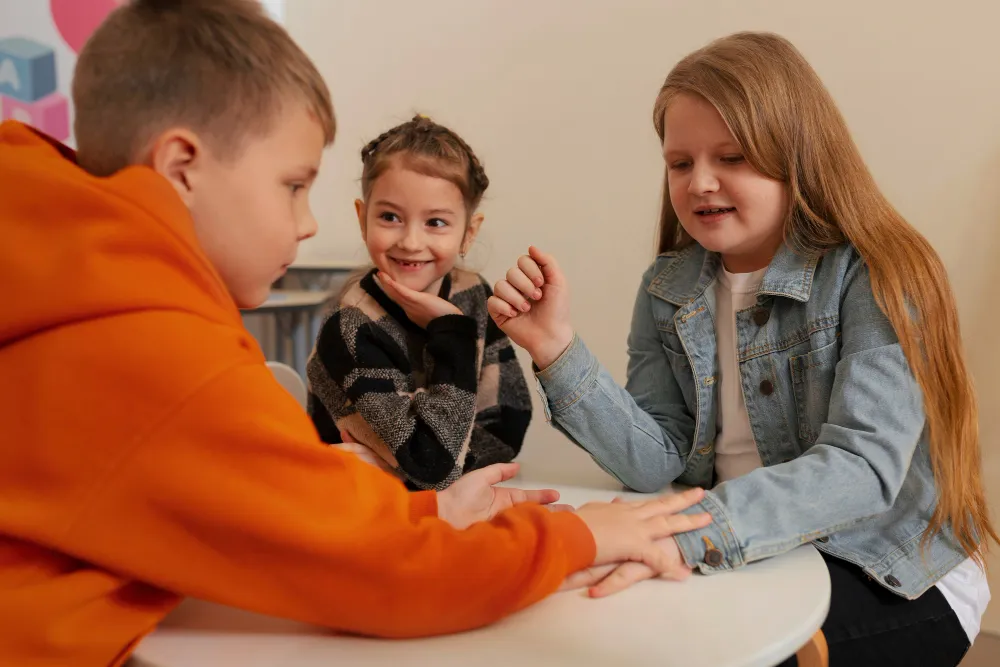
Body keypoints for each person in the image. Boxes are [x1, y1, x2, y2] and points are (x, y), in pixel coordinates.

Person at [0, 2, 711, 665]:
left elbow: (303, 494)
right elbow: (386, 572)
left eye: (437, 222)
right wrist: (585, 534)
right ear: (181, 167)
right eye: (292, 185)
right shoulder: (167, 351)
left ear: (469, 231)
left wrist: (430, 507)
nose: (309, 223)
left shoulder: (68, 267)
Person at [487, 31, 993, 666]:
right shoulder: (667, 288)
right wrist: (556, 350)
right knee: (582, 628)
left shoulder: (875, 273)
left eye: (732, 157)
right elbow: (655, 461)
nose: (701, 182)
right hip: (742, 550)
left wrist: (690, 537)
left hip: (887, 566)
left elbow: (861, 470)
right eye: (680, 163)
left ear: (800, 156)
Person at [308, 115, 532, 491]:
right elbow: (430, 463)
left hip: (433, 506)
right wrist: (454, 337)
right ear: (363, 219)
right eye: (390, 217)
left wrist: (409, 466)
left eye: (436, 222)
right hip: (355, 508)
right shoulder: (350, 326)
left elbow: (507, 424)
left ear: (468, 232)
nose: (411, 241)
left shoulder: (473, 294)